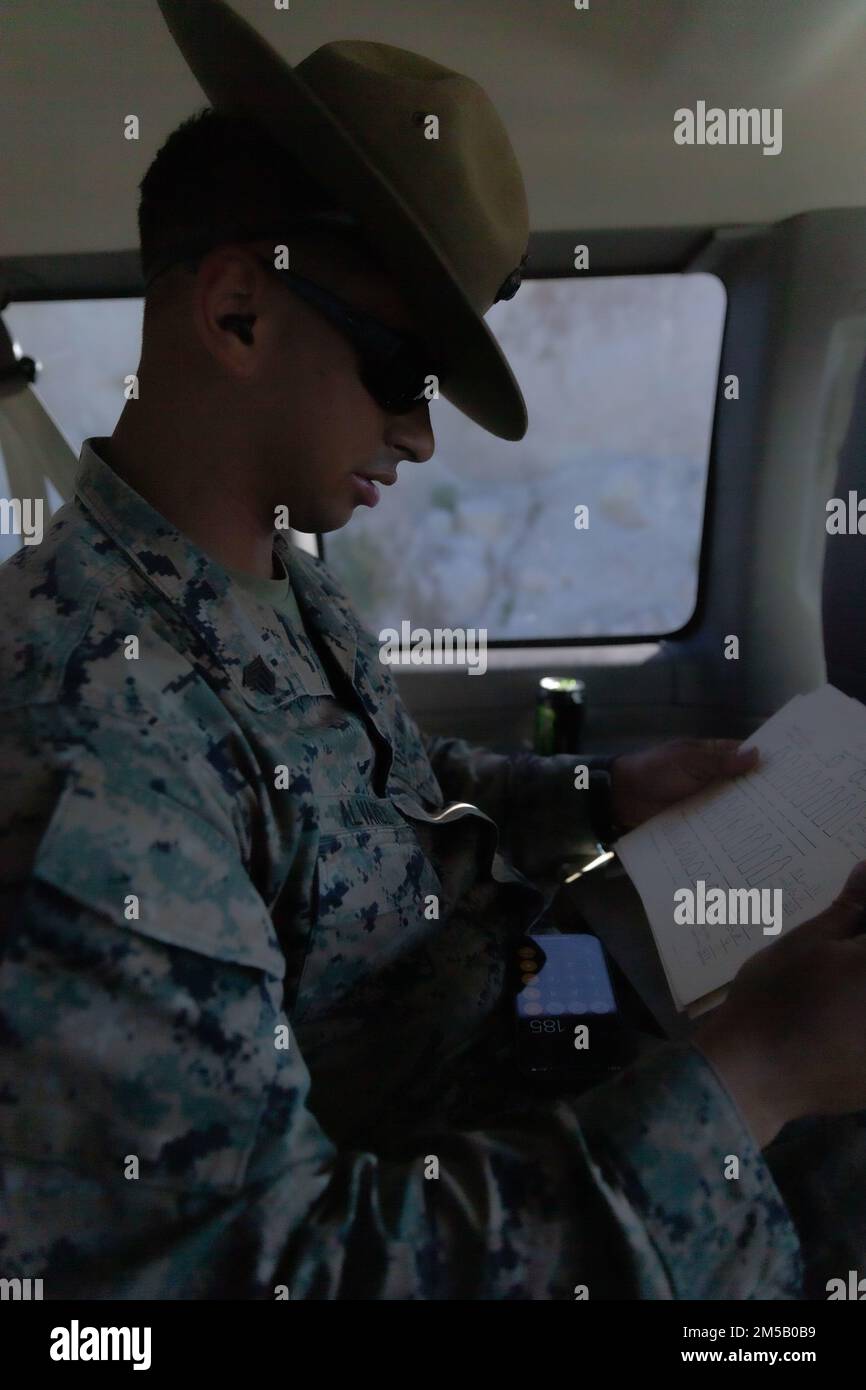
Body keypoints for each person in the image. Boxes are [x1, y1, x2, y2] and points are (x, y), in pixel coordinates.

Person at [2, 3, 866, 1300]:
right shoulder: (76, 745)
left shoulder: (276, 588)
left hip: (513, 1004)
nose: (418, 439)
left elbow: (376, 795)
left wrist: (592, 793)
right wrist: (756, 1064)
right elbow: (263, 1271)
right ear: (236, 312)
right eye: (403, 370)